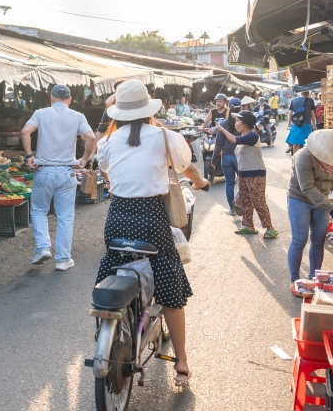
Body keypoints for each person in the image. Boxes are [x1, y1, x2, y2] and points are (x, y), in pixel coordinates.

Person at [96, 79, 210, 385]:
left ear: (119, 112)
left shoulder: (109, 140)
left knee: (114, 264)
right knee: (170, 287)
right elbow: (187, 168)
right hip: (151, 219)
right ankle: (182, 364)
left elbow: (106, 171)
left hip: (118, 218)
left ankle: (107, 335)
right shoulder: (165, 136)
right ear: (149, 108)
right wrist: (200, 183)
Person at [21, 85, 97, 271]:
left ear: (51, 98)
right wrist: (84, 160)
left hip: (44, 171)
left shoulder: (40, 113)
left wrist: (30, 156)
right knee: (65, 216)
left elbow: (25, 132)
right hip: (66, 172)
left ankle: (43, 248)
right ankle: (63, 260)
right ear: (69, 100)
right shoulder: (77, 116)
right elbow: (91, 137)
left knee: (39, 211)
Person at [286, 130, 333, 289]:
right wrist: (331, 208)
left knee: (318, 239)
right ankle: (294, 279)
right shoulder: (304, 157)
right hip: (299, 198)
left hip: (322, 200)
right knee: (300, 239)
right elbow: (307, 187)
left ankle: (314, 278)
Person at [213, 111, 279, 238]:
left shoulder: (252, 136)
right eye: (236, 121)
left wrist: (222, 129)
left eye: (238, 121)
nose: (236, 124)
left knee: (258, 201)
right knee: (246, 201)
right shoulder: (243, 136)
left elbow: (234, 140)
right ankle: (249, 226)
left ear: (246, 123)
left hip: (256, 174)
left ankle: (270, 227)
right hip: (243, 174)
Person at [210, 97, 241, 214]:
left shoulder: (223, 124)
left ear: (228, 107)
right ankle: (239, 204)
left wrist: (213, 161)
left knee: (229, 183)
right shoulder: (242, 124)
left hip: (226, 157)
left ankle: (232, 209)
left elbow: (218, 145)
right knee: (242, 183)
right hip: (239, 157)